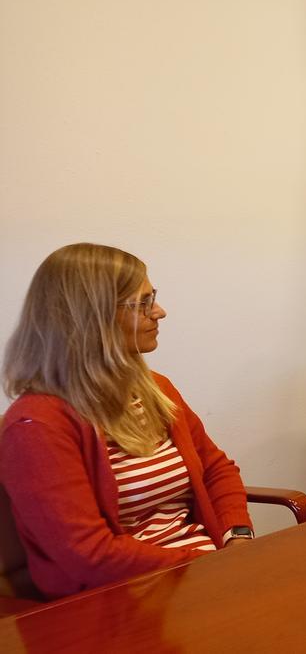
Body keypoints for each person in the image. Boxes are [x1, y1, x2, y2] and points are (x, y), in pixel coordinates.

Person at [0, 243, 253, 600]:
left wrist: (237, 537)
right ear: (92, 319)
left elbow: (216, 469)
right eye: (143, 303)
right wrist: (200, 564)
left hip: (198, 577)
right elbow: (88, 555)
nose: (160, 312)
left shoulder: (154, 388)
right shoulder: (36, 426)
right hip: (118, 602)